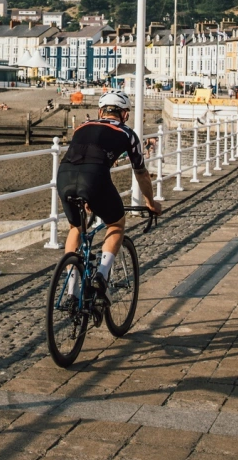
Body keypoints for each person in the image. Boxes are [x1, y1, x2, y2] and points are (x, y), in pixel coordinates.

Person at [57, 90, 161, 303]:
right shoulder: (127, 133)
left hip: (64, 175)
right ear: (125, 114)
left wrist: (86, 197)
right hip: (93, 177)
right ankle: (101, 276)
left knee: (76, 228)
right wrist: (151, 203)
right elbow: (140, 172)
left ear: (100, 111)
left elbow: (82, 158)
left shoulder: (81, 128)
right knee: (116, 223)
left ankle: (71, 291)